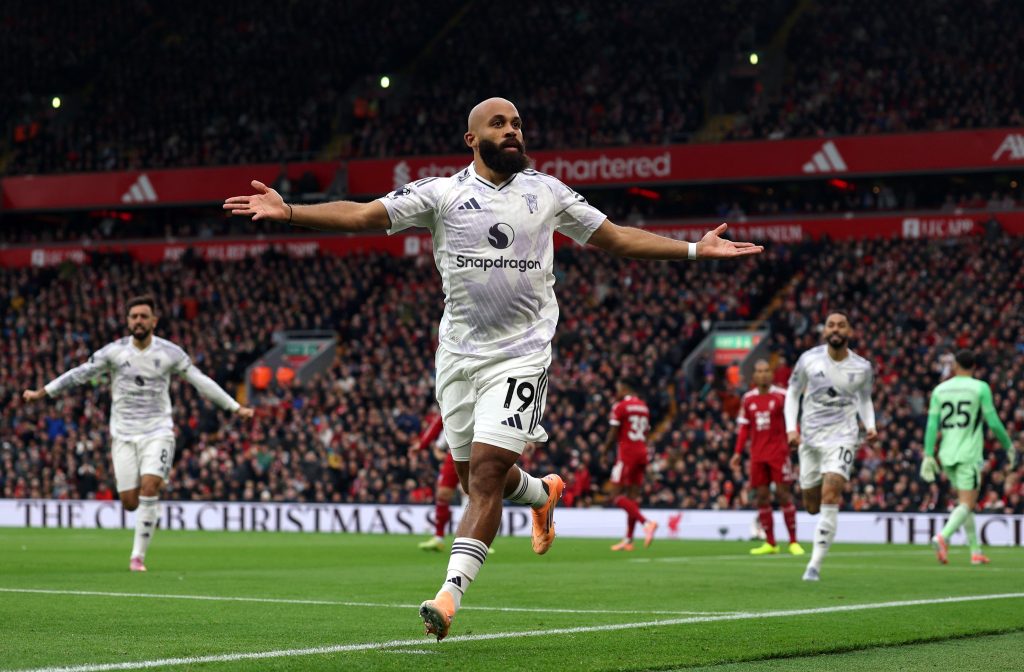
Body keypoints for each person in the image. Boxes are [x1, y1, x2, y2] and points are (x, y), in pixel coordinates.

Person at [224, 97, 763, 640]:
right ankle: (539, 492)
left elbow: (616, 237)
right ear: (472, 139)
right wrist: (290, 210)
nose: (512, 132)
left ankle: (448, 595)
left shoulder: (547, 192)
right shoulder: (442, 192)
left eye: (517, 124)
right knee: (476, 480)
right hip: (458, 357)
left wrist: (694, 250)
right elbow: (365, 213)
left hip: (522, 354)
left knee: (482, 475)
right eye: (499, 124)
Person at [23, 295, 254, 571]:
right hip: (123, 434)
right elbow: (79, 374)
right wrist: (43, 392)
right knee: (130, 502)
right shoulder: (114, 352)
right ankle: (151, 498)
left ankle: (137, 557)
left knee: (149, 486)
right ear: (127, 321)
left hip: (158, 431)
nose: (139, 321)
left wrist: (234, 407)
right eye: (134, 317)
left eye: (144, 316)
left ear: (154, 321)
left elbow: (200, 382)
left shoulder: (170, 353)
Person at [784, 312, 876, 581]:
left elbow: (865, 399)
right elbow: (792, 393)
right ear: (824, 331)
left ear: (850, 331)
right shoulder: (808, 360)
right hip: (810, 439)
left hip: (843, 436)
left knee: (831, 492)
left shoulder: (862, 367)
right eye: (831, 325)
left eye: (841, 325)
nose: (836, 329)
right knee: (812, 505)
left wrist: (870, 425)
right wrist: (791, 428)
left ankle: (814, 565)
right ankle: (818, 540)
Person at [921, 350, 1017, 565]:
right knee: (967, 502)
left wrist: (928, 454)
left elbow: (931, 425)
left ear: (954, 366)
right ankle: (943, 537)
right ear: (974, 367)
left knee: (965, 504)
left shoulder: (940, 390)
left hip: (946, 454)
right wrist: (1009, 446)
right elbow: (992, 422)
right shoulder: (980, 388)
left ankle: (975, 551)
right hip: (968, 453)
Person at [729, 360, 803, 556]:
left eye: (766, 371)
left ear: (771, 374)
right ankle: (770, 543)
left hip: (778, 454)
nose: (763, 374)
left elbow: (791, 420)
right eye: (759, 371)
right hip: (757, 456)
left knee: (783, 494)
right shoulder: (748, 399)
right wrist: (737, 452)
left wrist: (795, 434)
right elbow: (744, 428)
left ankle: (793, 541)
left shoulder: (782, 396)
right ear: (754, 376)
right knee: (762, 497)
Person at [603, 378, 657, 551]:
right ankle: (628, 539)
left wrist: (604, 452)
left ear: (624, 388)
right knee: (632, 498)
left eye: (618, 388)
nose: (616, 392)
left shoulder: (620, 407)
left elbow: (613, 433)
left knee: (614, 495)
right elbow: (646, 432)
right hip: (642, 452)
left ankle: (646, 523)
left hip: (627, 455)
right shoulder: (644, 407)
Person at [414, 411, 461, 552]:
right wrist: (422, 444)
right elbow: (439, 422)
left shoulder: (483, 396)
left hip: (480, 450)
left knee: (476, 494)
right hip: (455, 452)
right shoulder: (453, 398)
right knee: (442, 494)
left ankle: (479, 540)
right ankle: (438, 538)